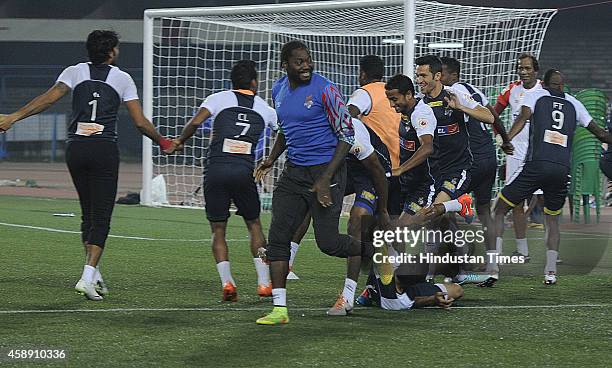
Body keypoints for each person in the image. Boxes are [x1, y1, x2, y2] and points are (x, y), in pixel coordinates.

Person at [0, 30, 173, 300]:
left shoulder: (74, 71)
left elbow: (47, 100)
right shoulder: (123, 78)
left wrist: (13, 117)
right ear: (112, 52)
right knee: (102, 216)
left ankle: (94, 275)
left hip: (76, 149)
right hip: (103, 149)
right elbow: (139, 122)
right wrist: (163, 142)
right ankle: (87, 277)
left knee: (87, 213)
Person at [254, 41, 386, 325]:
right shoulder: (278, 90)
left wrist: (326, 178)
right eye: (299, 61)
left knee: (328, 242)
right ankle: (279, 309)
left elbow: (347, 134)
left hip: (328, 172)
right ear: (285, 65)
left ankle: (373, 251)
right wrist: (270, 159)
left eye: (308, 60)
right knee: (278, 238)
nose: (306, 65)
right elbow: (285, 130)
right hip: (294, 172)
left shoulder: (326, 88)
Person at [169, 60, 277, 301]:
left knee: (218, 230)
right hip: (243, 171)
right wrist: (270, 159)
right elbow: (283, 133)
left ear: (232, 82)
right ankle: (263, 283)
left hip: (215, 170)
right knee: (254, 226)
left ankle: (227, 283)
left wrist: (179, 142)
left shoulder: (217, 98)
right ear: (254, 82)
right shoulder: (266, 109)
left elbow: (196, 122)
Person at [492, 69, 612, 285]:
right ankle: (550, 272)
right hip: (560, 170)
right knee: (552, 219)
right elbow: (601, 134)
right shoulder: (575, 103)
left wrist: (506, 140)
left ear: (544, 84)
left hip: (536, 166)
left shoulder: (536, 95)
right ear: (562, 85)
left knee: (499, 209)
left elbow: (522, 117)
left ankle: (493, 266)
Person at [413, 55, 494, 281]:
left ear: (437, 76)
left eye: (423, 75)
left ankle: (426, 276)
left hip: (457, 168)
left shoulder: (455, 94)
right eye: (417, 75)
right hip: (432, 172)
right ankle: (459, 271)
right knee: (444, 220)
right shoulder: (420, 104)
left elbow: (489, 116)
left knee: (432, 213)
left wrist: (461, 108)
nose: (419, 79)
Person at [440, 56, 513, 279]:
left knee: (444, 206)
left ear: (454, 75)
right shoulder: (475, 90)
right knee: (485, 211)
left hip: (470, 160)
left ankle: (460, 260)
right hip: (488, 157)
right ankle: (492, 266)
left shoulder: (454, 91)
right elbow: (494, 115)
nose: (439, 77)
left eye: (442, 73)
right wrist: (505, 140)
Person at [494, 53, 543, 260]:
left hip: (538, 153)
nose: (523, 72)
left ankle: (552, 252)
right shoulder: (512, 89)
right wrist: (499, 136)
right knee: (515, 202)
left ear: (536, 70)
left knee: (546, 202)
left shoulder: (544, 90)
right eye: (520, 68)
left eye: (527, 68)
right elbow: (494, 113)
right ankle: (520, 251)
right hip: (514, 152)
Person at [347, 55, 401, 215]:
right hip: (400, 165)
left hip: (376, 164)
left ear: (362, 74)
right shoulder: (392, 93)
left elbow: (347, 116)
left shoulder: (365, 92)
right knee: (391, 224)